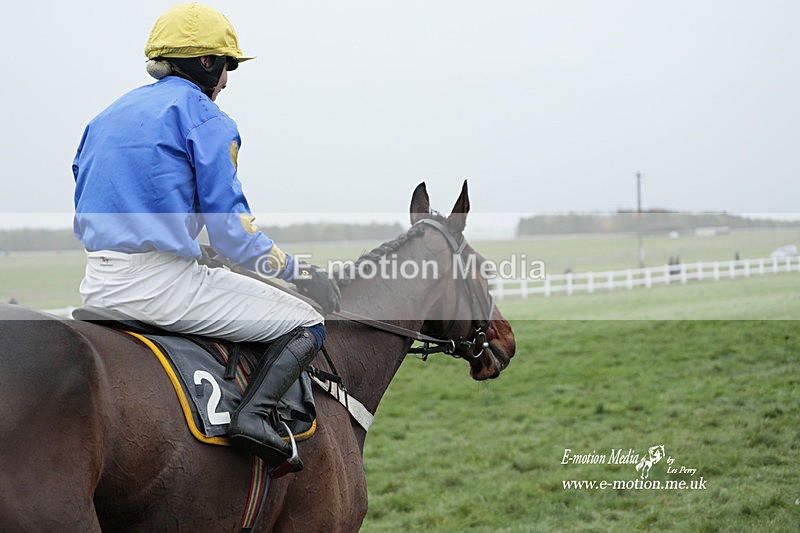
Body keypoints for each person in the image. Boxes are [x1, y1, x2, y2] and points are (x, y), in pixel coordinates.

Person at [72, 2, 340, 475]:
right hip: (161, 287)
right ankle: (254, 418)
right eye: (228, 66)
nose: (228, 81)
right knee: (307, 322)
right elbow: (236, 234)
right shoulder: (209, 119)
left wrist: (193, 246)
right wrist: (300, 272)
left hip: (96, 282)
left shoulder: (105, 115)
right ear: (206, 63)